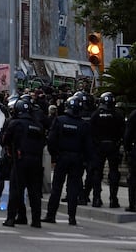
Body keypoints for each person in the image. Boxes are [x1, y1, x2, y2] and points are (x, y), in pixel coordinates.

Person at [42, 96, 91, 226]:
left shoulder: (59, 121)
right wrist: (84, 160)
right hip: (77, 159)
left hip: (62, 157)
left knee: (57, 187)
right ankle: (72, 217)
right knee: (73, 189)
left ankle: (51, 215)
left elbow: (51, 140)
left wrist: (55, 156)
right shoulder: (84, 125)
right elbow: (88, 145)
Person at [1, 99, 45, 228]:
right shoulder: (38, 126)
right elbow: (43, 142)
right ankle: (36, 220)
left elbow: (5, 140)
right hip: (36, 161)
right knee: (35, 192)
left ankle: (10, 219)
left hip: (20, 160)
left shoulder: (15, 123)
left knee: (16, 190)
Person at [89, 91, 125, 208]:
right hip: (113, 146)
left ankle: (96, 198)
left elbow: (91, 131)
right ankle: (113, 199)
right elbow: (123, 132)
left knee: (97, 173)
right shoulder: (118, 115)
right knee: (114, 172)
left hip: (99, 147)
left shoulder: (96, 114)